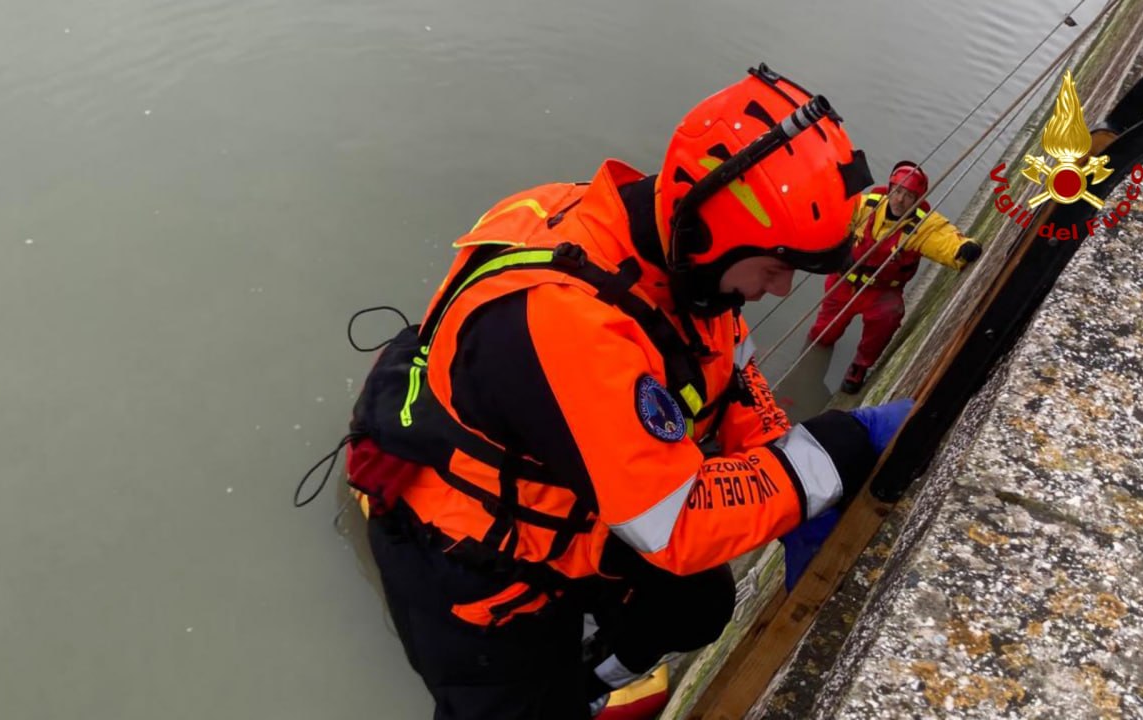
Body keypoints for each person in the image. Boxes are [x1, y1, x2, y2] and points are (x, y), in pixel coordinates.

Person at [345, 65, 913, 720]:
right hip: (477, 568)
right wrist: (825, 458)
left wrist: (776, 449)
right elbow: (674, 522)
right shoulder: (568, 322)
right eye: (777, 266)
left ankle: (595, 678)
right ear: (713, 233)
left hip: (578, 503)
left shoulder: (679, 260)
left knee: (695, 605)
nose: (781, 289)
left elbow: (733, 376)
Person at [806, 161, 983, 394]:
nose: (900, 200)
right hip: (844, 282)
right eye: (898, 191)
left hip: (882, 292)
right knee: (822, 333)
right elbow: (834, 218)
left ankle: (860, 365)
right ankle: (812, 358)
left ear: (917, 199)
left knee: (887, 318)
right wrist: (838, 252)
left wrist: (963, 248)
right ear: (890, 188)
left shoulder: (922, 225)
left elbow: (944, 239)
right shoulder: (866, 206)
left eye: (909, 196)